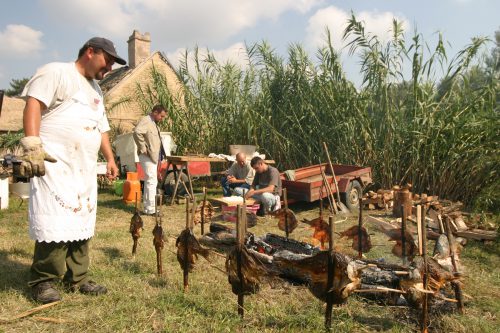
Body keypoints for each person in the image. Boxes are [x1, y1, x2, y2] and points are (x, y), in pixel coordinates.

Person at [20, 37, 125, 303]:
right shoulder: (57, 72)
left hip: (83, 168)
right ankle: (43, 281)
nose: (110, 68)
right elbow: (34, 103)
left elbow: (102, 128)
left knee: (82, 220)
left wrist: (110, 159)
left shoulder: (96, 91)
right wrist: (33, 145)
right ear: (90, 52)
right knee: (56, 219)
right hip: (56, 164)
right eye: (108, 61)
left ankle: (78, 278)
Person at [133, 105, 167, 215]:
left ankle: (149, 208)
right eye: (161, 116)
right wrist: (143, 149)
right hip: (147, 156)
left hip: (152, 156)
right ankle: (150, 209)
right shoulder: (146, 120)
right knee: (151, 181)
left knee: (151, 181)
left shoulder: (153, 123)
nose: (162, 118)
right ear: (155, 112)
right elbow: (137, 132)